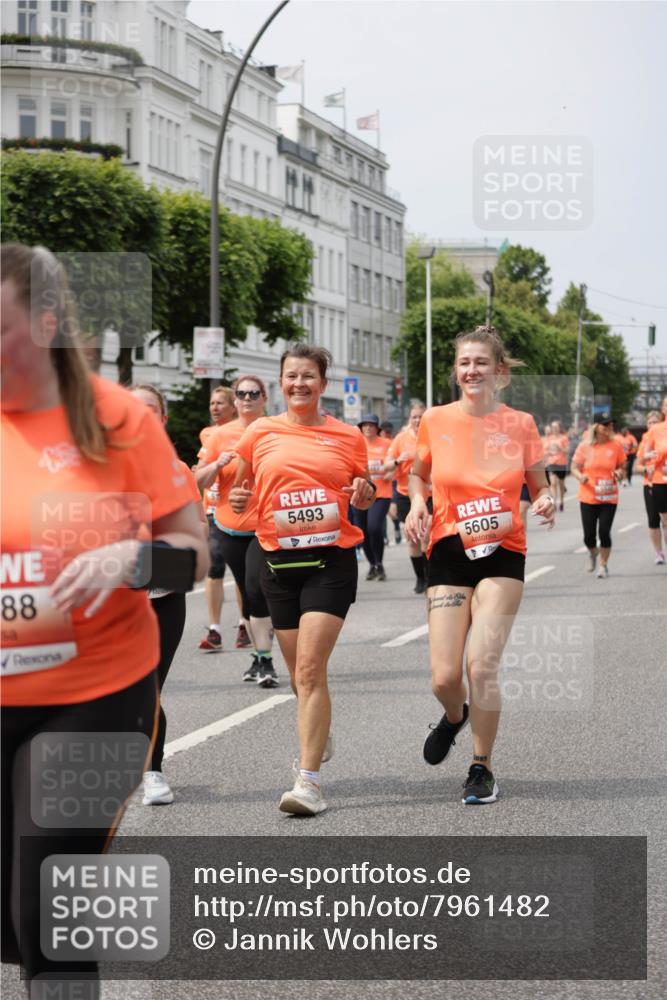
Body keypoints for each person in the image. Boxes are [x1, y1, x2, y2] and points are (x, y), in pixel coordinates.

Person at [1, 243, 208, 988]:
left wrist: (132, 560)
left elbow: (194, 552)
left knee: (49, 904)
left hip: (93, 695)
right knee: (11, 921)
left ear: (48, 325)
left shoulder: (116, 418)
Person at [405, 325, 554, 805]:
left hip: (503, 550)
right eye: (465, 363)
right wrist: (416, 504)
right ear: (456, 371)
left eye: (481, 363)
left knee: (481, 664)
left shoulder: (521, 424)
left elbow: (540, 484)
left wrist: (548, 500)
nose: (472, 370)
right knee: (445, 678)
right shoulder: (436, 419)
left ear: (500, 372)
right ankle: (454, 716)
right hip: (448, 551)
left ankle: (481, 766)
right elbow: (418, 474)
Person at [229, 344, 374, 816]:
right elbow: (244, 487)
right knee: (299, 678)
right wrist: (236, 498)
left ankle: (308, 783)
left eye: (308, 376)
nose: (299, 384)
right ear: (281, 382)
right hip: (277, 563)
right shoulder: (261, 432)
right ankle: (320, 728)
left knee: (311, 670)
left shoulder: (348, 436)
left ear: (323, 384)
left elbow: (364, 493)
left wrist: (365, 492)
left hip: (330, 561)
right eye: (291, 376)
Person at [129, 385, 208, 804]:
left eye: (148, 412)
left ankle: (153, 772)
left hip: (162, 597)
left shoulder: (177, 471)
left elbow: (196, 534)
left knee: (148, 687)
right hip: (110, 601)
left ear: (161, 419)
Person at [197, 375, 279, 688]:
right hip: (229, 527)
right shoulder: (219, 435)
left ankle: (267, 657)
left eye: (253, 393)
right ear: (235, 400)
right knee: (247, 590)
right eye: (241, 394)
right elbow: (198, 482)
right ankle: (260, 657)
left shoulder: (276, 429)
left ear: (264, 397)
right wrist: (217, 464)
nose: (247, 398)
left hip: (266, 526)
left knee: (258, 588)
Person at [195, 386, 247, 652]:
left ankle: (243, 622)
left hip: (237, 511)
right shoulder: (208, 434)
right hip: (212, 509)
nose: (215, 408)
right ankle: (214, 628)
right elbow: (198, 473)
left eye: (220, 403)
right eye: (212, 403)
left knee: (240, 573)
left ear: (233, 406)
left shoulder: (249, 431)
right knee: (214, 568)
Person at [571, 416, 626, 578]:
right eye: (605, 425)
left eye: (611, 425)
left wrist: (619, 472)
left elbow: (622, 465)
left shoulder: (616, 446)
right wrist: (580, 477)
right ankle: (593, 552)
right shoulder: (585, 446)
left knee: (604, 532)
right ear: (596, 427)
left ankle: (603, 565)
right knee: (588, 536)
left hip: (609, 497)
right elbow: (574, 467)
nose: (609, 428)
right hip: (588, 495)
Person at [385, 402, 429, 593]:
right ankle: (420, 578)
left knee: (427, 535)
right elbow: (387, 464)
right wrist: (397, 460)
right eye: (414, 417)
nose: (418, 420)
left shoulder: (433, 436)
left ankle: (430, 577)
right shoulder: (401, 439)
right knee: (413, 539)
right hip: (405, 493)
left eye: (421, 416)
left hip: (430, 493)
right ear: (409, 419)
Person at [354, 414, 393, 581]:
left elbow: (393, 466)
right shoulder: (356, 444)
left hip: (381, 494)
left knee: (374, 527)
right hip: (361, 494)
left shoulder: (387, 444)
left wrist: (390, 472)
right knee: (362, 532)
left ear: (377, 428)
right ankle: (372, 565)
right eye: (365, 425)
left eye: (371, 425)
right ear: (361, 427)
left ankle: (379, 563)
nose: (368, 428)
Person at [635, 410, 666, 564]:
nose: (652, 425)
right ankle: (658, 553)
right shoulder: (645, 441)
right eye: (650, 422)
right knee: (653, 520)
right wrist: (646, 469)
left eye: (655, 422)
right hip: (650, 485)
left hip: (663, 483)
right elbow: (637, 466)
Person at [544, 420, 569, 511]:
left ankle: (561, 501)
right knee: (553, 484)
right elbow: (545, 450)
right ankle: (554, 502)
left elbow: (567, 451)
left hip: (561, 464)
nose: (554, 429)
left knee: (561, 485)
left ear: (559, 428)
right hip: (551, 463)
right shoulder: (549, 438)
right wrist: (547, 453)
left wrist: (560, 448)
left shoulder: (564, 438)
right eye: (553, 427)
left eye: (556, 427)